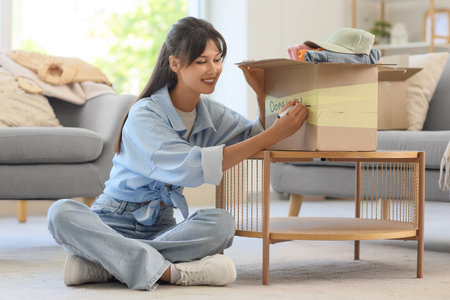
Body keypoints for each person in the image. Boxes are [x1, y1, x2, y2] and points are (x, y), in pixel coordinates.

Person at [47, 16, 307, 291]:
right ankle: (171, 272)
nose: (213, 69)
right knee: (60, 213)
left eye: (217, 59)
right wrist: (275, 133)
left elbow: (252, 139)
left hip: (163, 225)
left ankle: (105, 263)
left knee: (222, 223)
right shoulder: (144, 114)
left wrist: (261, 94)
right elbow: (190, 167)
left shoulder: (210, 113)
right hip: (113, 220)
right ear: (175, 63)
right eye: (201, 61)